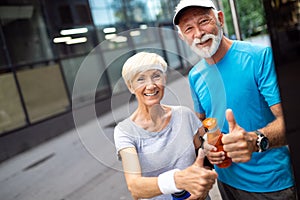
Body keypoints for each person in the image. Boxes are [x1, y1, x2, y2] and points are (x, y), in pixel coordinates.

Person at [173, 0, 296, 199]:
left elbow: (290, 121)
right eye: (188, 28)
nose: (198, 33)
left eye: (204, 21)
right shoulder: (195, 75)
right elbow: (204, 125)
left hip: (271, 185)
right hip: (226, 183)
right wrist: (206, 146)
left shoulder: (259, 57)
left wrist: (255, 140)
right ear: (182, 36)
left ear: (220, 19)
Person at [113, 52, 218, 200]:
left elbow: (203, 157)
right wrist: (178, 180)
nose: (150, 85)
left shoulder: (184, 115)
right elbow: (135, 187)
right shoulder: (125, 131)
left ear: (164, 79)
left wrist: (201, 186)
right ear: (130, 86)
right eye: (141, 79)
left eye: (156, 76)